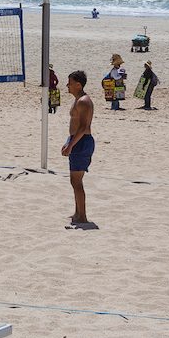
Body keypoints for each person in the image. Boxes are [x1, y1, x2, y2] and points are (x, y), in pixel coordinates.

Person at [61, 70, 95, 224]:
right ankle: (78, 212)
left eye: (70, 83)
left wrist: (71, 145)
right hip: (77, 140)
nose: (67, 85)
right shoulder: (77, 100)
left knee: (77, 181)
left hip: (82, 142)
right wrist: (68, 141)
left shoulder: (83, 101)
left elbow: (83, 127)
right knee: (74, 181)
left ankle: (82, 216)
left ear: (78, 85)